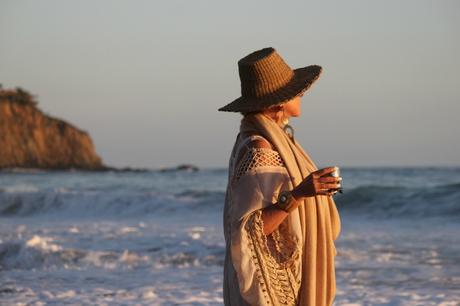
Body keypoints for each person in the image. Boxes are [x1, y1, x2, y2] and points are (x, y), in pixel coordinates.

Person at [219, 47, 342, 306]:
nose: (303, 94)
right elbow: (252, 230)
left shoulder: (271, 141)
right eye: (297, 90)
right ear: (279, 100)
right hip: (274, 291)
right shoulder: (260, 148)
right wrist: (301, 193)